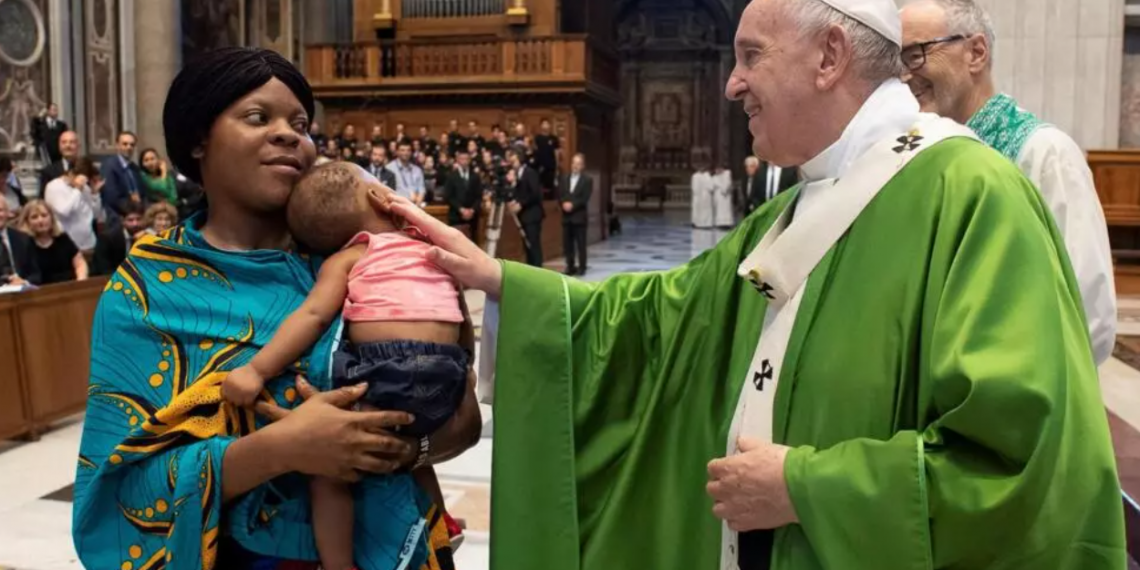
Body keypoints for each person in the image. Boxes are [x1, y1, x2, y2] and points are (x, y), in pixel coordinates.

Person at [385, 0, 1128, 568]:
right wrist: (505, 280)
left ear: (830, 55)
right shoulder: (790, 211)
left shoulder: (973, 196)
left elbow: (1026, 464)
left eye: (750, 55)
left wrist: (806, 487)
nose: (733, 81)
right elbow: (659, 318)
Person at [73, 47, 480, 570]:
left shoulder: (362, 262)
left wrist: (403, 451)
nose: (290, 134)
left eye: (302, 124)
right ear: (199, 139)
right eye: (258, 117)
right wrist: (282, 449)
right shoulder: (147, 291)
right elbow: (118, 491)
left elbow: (463, 418)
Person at [223, 162, 470, 570]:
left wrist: (257, 371)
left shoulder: (353, 256)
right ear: (379, 197)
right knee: (415, 462)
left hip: (386, 371)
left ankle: (337, 564)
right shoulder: (428, 246)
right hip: (447, 375)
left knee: (330, 470)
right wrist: (463, 362)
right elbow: (458, 303)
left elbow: (314, 316)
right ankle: (439, 527)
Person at [900, 0, 1117, 365]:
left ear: (976, 53)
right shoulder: (913, 154)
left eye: (917, 54)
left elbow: (1088, 314)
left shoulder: (1045, 155)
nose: (904, 75)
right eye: (896, 60)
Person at [15, 199, 87, 284]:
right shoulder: (24, 245)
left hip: (70, 287)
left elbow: (80, 263)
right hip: (40, 292)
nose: (40, 220)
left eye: (44, 215)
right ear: (27, 221)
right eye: (34, 217)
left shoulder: (63, 238)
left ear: (51, 218)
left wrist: (80, 281)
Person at [43, 157, 103, 254]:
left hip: (89, 244)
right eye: (80, 178)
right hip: (66, 246)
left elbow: (95, 215)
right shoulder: (54, 186)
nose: (83, 182)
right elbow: (64, 211)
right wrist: (77, 189)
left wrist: (95, 194)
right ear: (70, 173)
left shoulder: (85, 188)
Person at [507, 147, 543, 267]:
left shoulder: (530, 172)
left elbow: (535, 193)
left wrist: (520, 204)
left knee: (533, 245)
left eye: (514, 160)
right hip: (523, 216)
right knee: (526, 246)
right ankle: (531, 268)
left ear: (520, 159)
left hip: (532, 215)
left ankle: (538, 271)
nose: (512, 163)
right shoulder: (517, 175)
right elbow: (520, 193)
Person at [90, 200, 145, 275]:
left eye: (138, 219)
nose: (135, 224)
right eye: (130, 220)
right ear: (122, 220)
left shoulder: (145, 235)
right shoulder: (107, 238)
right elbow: (105, 268)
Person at [559, 153, 592, 276]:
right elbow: (560, 194)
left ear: (582, 166)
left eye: (578, 164)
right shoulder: (564, 178)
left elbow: (585, 197)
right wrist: (563, 203)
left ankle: (582, 266)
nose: (575, 166)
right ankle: (570, 266)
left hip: (579, 217)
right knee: (567, 244)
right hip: (566, 217)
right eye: (573, 163)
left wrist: (573, 205)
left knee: (581, 243)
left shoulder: (587, 180)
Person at [100, 131, 146, 218]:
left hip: (138, 217)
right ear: (117, 145)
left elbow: (142, 194)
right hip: (117, 217)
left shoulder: (135, 168)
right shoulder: (109, 166)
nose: (129, 147)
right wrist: (134, 209)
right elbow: (112, 198)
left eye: (132, 145)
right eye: (125, 144)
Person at [445, 150, 483, 241]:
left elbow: (479, 196)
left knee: (473, 244)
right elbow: (448, 196)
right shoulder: (451, 176)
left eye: (466, 159)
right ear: (457, 160)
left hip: (472, 217)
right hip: (456, 216)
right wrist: (461, 209)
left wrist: (472, 210)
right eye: (462, 159)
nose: (464, 162)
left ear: (470, 160)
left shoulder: (475, 176)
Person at [0, 199, 40, 286]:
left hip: (22, 293)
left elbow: (36, 274)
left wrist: (24, 282)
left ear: (8, 213)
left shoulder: (23, 239)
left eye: (0, 210)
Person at [534, 119, 562, 194]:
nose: (545, 126)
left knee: (550, 188)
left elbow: (557, 153)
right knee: (539, 187)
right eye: (544, 124)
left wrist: (557, 165)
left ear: (550, 126)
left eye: (547, 124)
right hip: (540, 167)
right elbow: (535, 151)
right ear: (541, 126)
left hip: (551, 167)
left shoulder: (554, 138)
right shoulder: (537, 138)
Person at [690, 162, 714, 228]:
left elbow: (711, 187)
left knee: (706, 210)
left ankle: (707, 224)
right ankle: (697, 223)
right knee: (698, 210)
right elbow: (694, 187)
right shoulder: (695, 176)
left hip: (706, 196)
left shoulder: (707, 175)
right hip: (698, 196)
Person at [710, 162, 734, 228]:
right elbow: (712, 187)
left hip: (726, 196)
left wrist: (724, 189)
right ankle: (720, 224)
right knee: (719, 211)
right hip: (718, 196)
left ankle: (727, 223)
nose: (717, 171)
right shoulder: (714, 177)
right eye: (716, 170)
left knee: (726, 210)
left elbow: (728, 183)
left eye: (719, 169)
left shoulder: (727, 174)